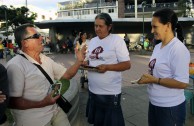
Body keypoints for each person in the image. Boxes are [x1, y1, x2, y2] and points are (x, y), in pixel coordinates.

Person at [6, 24, 86, 126]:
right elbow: (12, 102)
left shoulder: (44, 58)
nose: (41, 38)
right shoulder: (15, 65)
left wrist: (79, 61)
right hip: (35, 120)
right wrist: (43, 102)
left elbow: (66, 75)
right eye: (36, 36)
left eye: (40, 35)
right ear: (25, 43)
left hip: (55, 111)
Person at [137, 8, 190, 126]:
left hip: (170, 108)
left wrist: (155, 80)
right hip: (155, 104)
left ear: (168, 26)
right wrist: (148, 79)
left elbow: (182, 83)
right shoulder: (158, 47)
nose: (152, 30)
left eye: (155, 27)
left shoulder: (178, 49)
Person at [84, 13, 131, 126]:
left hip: (109, 93)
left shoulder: (117, 41)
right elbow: (89, 59)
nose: (97, 29)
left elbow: (127, 64)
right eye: (95, 26)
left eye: (101, 26)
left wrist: (107, 67)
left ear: (109, 27)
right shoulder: (92, 41)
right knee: (98, 122)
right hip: (93, 91)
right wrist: (85, 63)